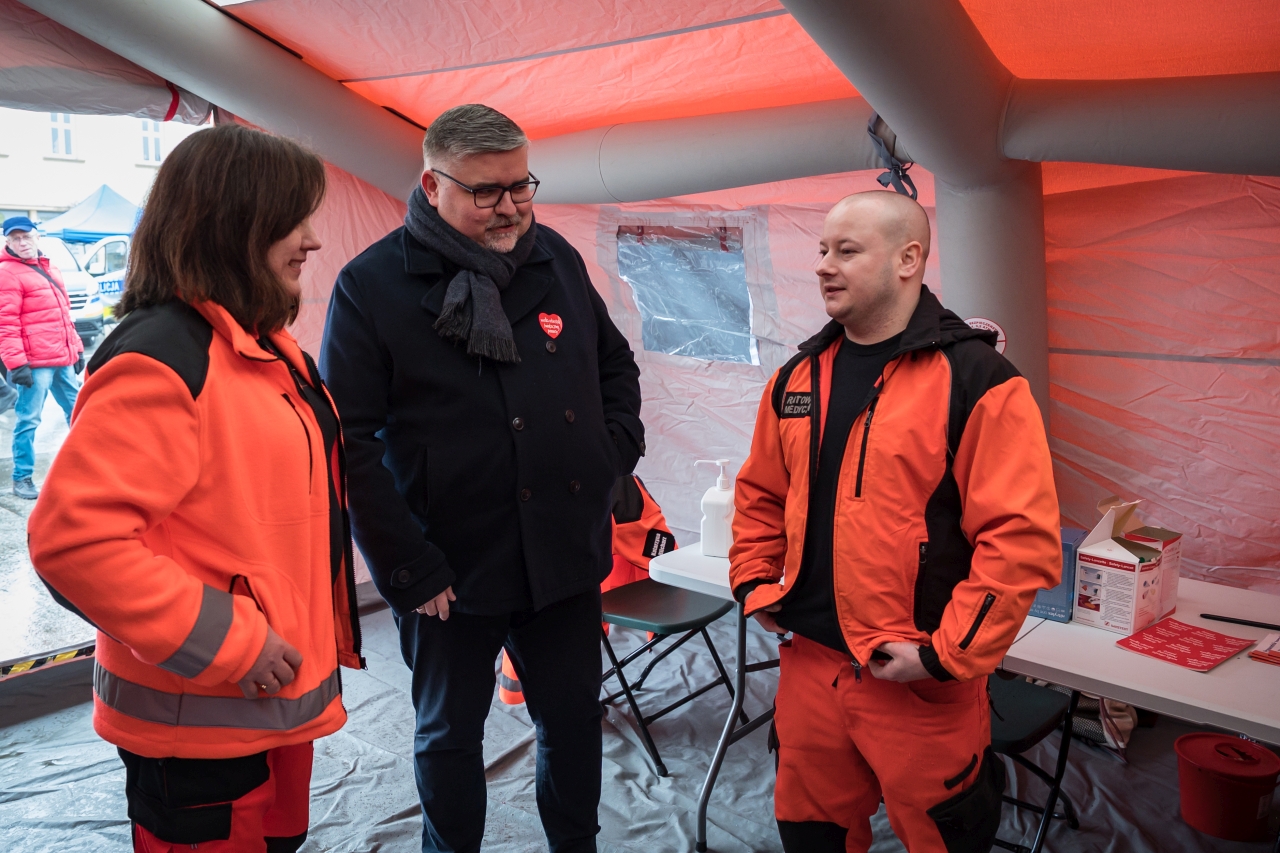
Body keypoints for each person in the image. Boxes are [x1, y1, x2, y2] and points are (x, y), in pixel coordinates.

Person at [28, 124, 363, 853]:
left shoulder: (266, 350)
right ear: (234, 223)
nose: (312, 240)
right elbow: (74, 545)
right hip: (203, 726)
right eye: (294, 219)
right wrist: (234, 643)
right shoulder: (163, 358)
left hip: (268, 708)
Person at [320, 103, 643, 853]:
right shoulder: (372, 284)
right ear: (432, 186)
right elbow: (349, 442)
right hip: (448, 564)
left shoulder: (554, 256)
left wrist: (611, 455)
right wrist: (407, 564)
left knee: (573, 721)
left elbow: (614, 364)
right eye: (486, 191)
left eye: (520, 185)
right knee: (449, 736)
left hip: (562, 548)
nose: (510, 207)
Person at [730, 191, 1061, 853]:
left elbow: (1018, 539)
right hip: (809, 671)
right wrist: (755, 584)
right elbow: (760, 493)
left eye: (846, 250)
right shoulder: (796, 378)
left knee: (942, 839)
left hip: (917, 682)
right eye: (822, 249)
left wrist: (944, 656)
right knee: (812, 838)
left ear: (909, 259)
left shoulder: (979, 379)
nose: (823, 265)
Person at [0, 215, 84, 499]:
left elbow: (64, 316)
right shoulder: (7, 273)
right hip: (35, 364)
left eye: (26, 236)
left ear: (37, 237)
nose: (22, 242)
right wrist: (16, 364)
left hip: (63, 358)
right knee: (29, 421)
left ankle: (88, 468)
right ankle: (21, 477)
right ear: (8, 242)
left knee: (79, 414)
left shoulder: (50, 267)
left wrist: (77, 348)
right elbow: (5, 323)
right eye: (15, 239)